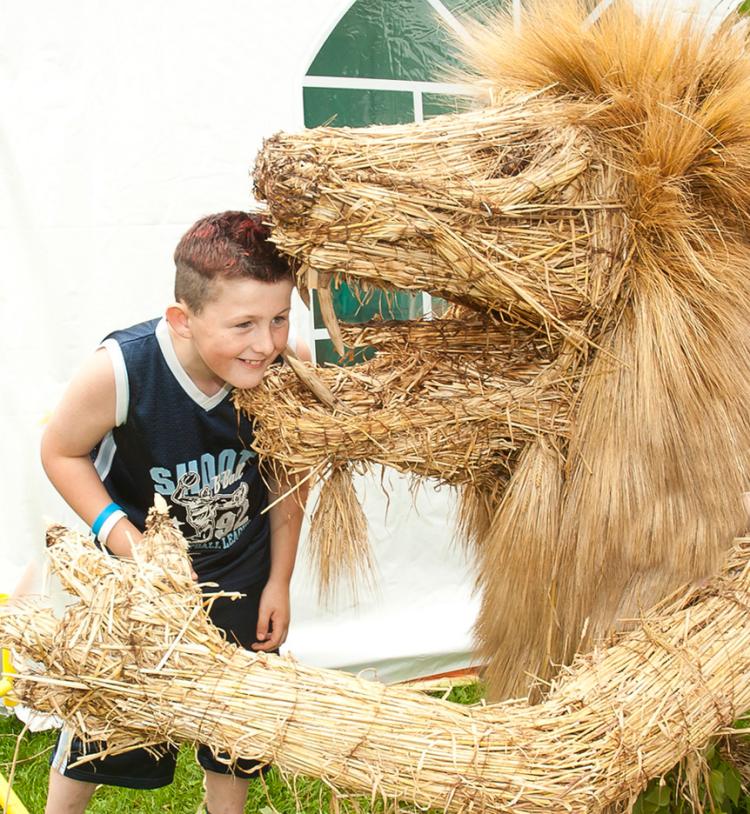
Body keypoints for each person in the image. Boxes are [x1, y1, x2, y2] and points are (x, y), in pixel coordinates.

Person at [39, 211, 309, 814]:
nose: (265, 343)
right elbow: (59, 452)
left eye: (279, 318)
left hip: (240, 573)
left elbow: (290, 477)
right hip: (140, 585)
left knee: (238, 722)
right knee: (108, 717)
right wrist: (134, 549)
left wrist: (279, 581)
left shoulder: (285, 367)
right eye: (243, 324)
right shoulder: (121, 370)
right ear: (183, 320)